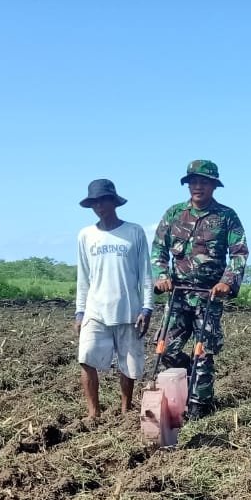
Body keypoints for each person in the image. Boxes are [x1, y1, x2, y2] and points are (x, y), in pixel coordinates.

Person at [151, 159, 249, 420]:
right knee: (166, 350)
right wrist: (162, 276)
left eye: (204, 182)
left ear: (213, 186)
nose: (198, 187)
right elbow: (158, 249)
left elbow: (239, 253)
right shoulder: (174, 214)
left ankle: (200, 405)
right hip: (178, 294)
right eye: (193, 182)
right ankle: (188, 375)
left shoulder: (226, 216)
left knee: (203, 351)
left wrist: (227, 281)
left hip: (208, 296)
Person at [75, 178, 154, 420]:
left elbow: (145, 273)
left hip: (128, 309)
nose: (99, 206)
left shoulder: (134, 232)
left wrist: (147, 308)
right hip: (95, 310)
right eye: (95, 202)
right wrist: (79, 312)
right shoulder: (86, 235)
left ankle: (125, 410)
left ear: (114, 201)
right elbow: (83, 276)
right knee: (86, 358)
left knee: (128, 365)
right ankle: (93, 413)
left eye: (104, 200)